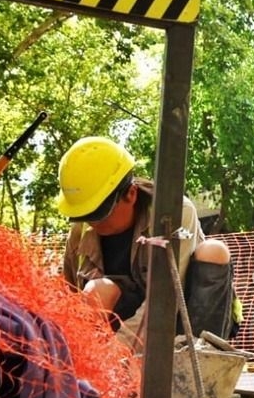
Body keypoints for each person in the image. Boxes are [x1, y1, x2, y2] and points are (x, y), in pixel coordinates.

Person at [56, 137, 239, 350]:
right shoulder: (81, 232)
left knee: (213, 251)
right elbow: (68, 299)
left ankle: (201, 358)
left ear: (131, 194)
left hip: (183, 319)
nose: (93, 222)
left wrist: (118, 355)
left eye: (100, 213)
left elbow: (164, 301)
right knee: (98, 289)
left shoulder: (174, 213)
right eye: (86, 214)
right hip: (125, 332)